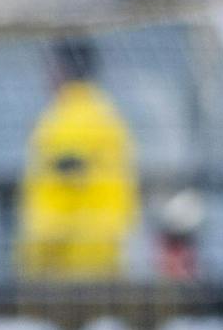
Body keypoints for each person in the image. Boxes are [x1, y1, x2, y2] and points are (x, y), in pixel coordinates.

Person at [15, 37, 137, 281]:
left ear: (62, 68)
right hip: (105, 247)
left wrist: (38, 255)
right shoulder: (104, 112)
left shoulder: (69, 119)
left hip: (71, 257)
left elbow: (63, 186)